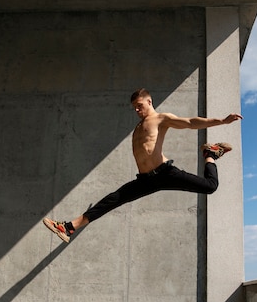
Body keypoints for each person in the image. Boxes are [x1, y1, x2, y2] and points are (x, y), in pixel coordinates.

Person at [43, 88, 243, 243]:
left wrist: (222, 121)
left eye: (140, 106)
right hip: (146, 179)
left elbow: (190, 122)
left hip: (165, 173)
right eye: (135, 108)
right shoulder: (138, 126)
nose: (137, 110)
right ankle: (69, 227)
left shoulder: (160, 118)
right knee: (113, 199)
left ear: (149, 101)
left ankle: (210, 154)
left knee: (210, 186)